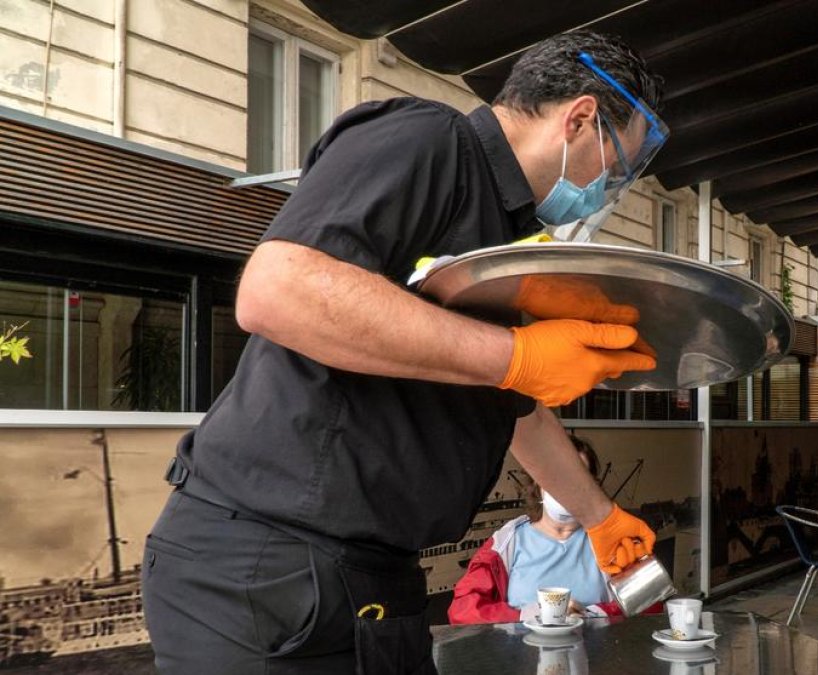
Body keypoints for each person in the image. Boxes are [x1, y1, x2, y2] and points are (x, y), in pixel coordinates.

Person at [142, 30, 667, 675]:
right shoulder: (432, 140)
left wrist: (600, 518)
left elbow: (507, 401)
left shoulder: (510, 236)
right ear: (580, 117)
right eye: (616, 168)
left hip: (370, 575)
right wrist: (513, 354)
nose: (609, 190)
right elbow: (277, 290)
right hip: (268, 566)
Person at [448, 435, 625, 624]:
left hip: (597, 650)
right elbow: (463, 609)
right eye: (558, 476)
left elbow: (648, 599)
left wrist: (593, 614)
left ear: (592, 487)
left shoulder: (611, 540)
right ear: (538, 482)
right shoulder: (508, 541)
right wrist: (529, 615)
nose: (568, 488)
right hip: (521, 650)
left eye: (579, 478)